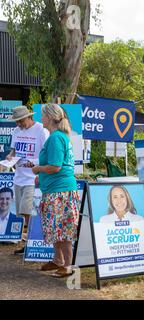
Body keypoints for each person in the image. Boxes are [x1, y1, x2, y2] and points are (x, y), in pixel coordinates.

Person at [30, 103, 80, 278]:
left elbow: (55, 166)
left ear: (50, 118)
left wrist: (38, 170)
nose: (40, 118)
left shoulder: (55, 138)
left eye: (43, 115)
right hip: (57, 190)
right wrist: (41, 177)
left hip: (61, 192)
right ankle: (57, 260)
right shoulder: (58, 136)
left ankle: (67, 266)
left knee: (63, 229)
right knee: (56, 228)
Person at [5, 106, 48, 254]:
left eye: (21, 121)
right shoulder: (16, 131)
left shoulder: (41, 130)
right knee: (23, 213)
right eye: (17, 122)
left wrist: (35, 163)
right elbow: (14, 151)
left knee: (28, 210)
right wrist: (10, 157)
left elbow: (47, 154)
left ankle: (35, 243)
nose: (19, 124)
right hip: (19, 178)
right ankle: (30, 243)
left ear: (29, 117)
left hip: (33, 179)